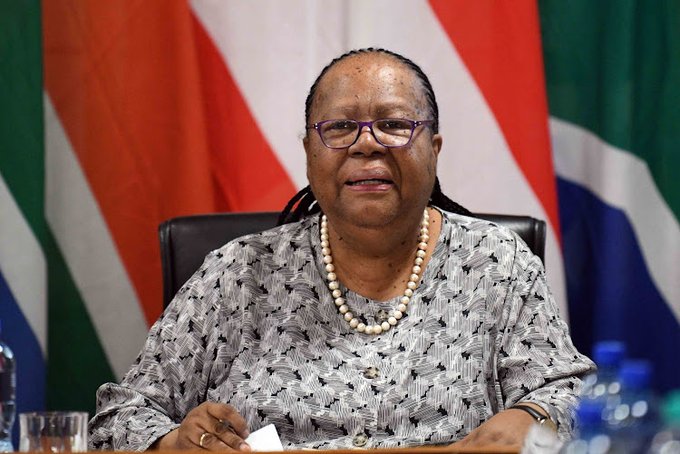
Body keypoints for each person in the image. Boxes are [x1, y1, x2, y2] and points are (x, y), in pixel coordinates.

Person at [89, 48, 595, 451]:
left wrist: (532, 415)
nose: (366, 143)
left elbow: (573, 395)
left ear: (434, 150)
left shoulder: (497, 262)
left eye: (394, 125)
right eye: (339, 128)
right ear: (309, 153)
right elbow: (118, 418)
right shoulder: (238, 272)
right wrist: (174, 442)